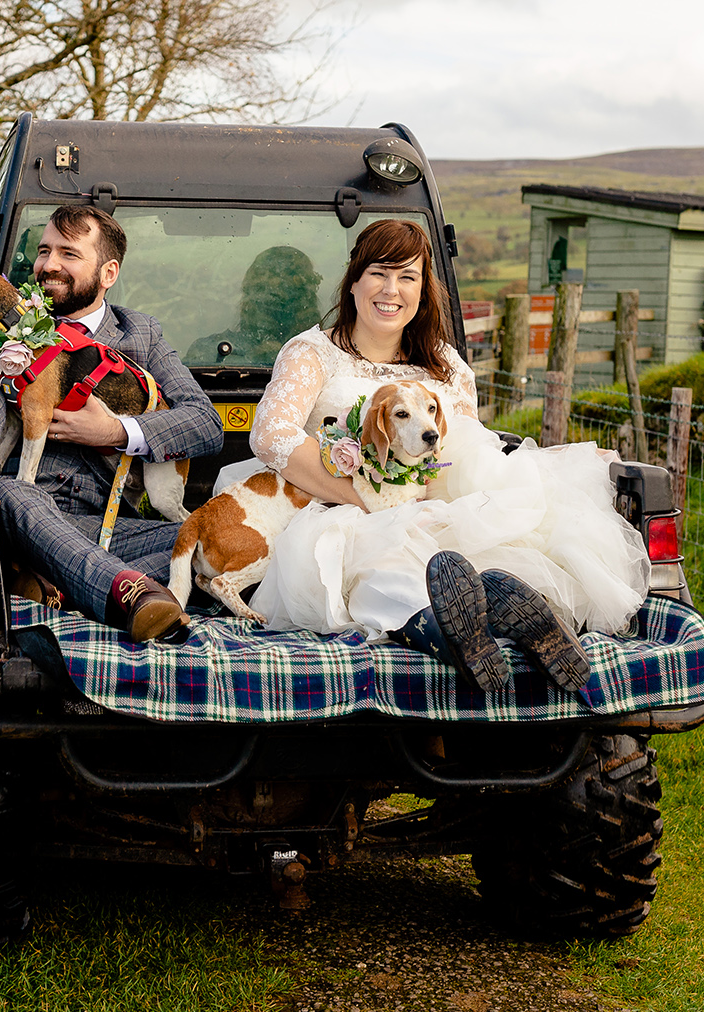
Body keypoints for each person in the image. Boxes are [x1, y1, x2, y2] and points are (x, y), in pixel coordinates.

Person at [245, 219, 650, 691]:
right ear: (354, 281)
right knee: (376, 563)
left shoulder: (445, 364)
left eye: (408, 277)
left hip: (432, 504)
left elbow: (464, 447)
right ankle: (454, 630)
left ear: (423, 291)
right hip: (340, 506)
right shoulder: (314, 353)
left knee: (481, 549)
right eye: (379, 273)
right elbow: (271, 435)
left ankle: (513, 613)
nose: (391, 290)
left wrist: (438, 509)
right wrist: (369, 501)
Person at [0, 204, 224, 642]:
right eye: (43, 250)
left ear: (108, 272)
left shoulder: (141, 334)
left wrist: (117, 432)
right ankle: (128, 594)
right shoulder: (9, 327)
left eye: (68, 254)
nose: (48, 264)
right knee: (15, 490)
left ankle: (59, 586)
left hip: (109, 526)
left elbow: (205, 423)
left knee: (210, 538)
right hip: (28, 515)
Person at [186, 246, 323, 366]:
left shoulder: (330, 355)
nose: (274, 309)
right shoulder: (207, 353)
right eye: (261, 289)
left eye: (292, 295)